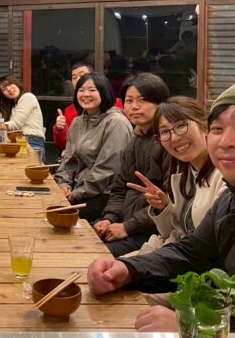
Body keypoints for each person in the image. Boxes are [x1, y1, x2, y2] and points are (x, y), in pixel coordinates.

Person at [88, 73, 235, 328]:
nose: (225, 142)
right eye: (217, 129)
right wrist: (128, 270)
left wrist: (193, 327)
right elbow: (192, 253)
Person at [128, 96, 226, 256]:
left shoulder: (225, 176)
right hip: (175, 252)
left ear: (205, 125)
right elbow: (175, 232)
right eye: (164, 132)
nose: (174, 138)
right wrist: (163, 207)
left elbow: (210, 244)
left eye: (181, 126)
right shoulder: (183, 175)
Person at [94, 73, 170, 257]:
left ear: (161, 103)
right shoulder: (134, 142)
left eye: (142, 100)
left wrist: (127, 227)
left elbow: (168, 200)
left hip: (153, 233)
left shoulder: (168, 141)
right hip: (127, 225)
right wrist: (109, 218)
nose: (134, 106)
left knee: (93, 255)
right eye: (129, 101)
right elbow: (120, 188)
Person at [54, 72, 133, 221]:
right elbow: (69, 161)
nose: (86, 94)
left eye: (92, 90)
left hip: (105, 195)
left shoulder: (117, 122)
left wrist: (76, 194)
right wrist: (63, 185)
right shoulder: (77, 122)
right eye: (81, 90)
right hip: (78, 190)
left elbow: (107, 169)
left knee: (57, 218)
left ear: (104, 92)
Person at [0, 74, 46, 162]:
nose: (9, 89)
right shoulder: (13, 107)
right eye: (4, 89)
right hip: (18, 142)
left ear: (16, 83)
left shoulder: (28, 97)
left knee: (30, 170)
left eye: (9, 84)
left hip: (32, 142)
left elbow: (16, 124)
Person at [53, 62, 94, 154]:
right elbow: (63, 146)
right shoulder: (70, 110)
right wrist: (60, 129)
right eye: (74, 77)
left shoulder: (111, 106)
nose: (78, 79)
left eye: (82, 75)